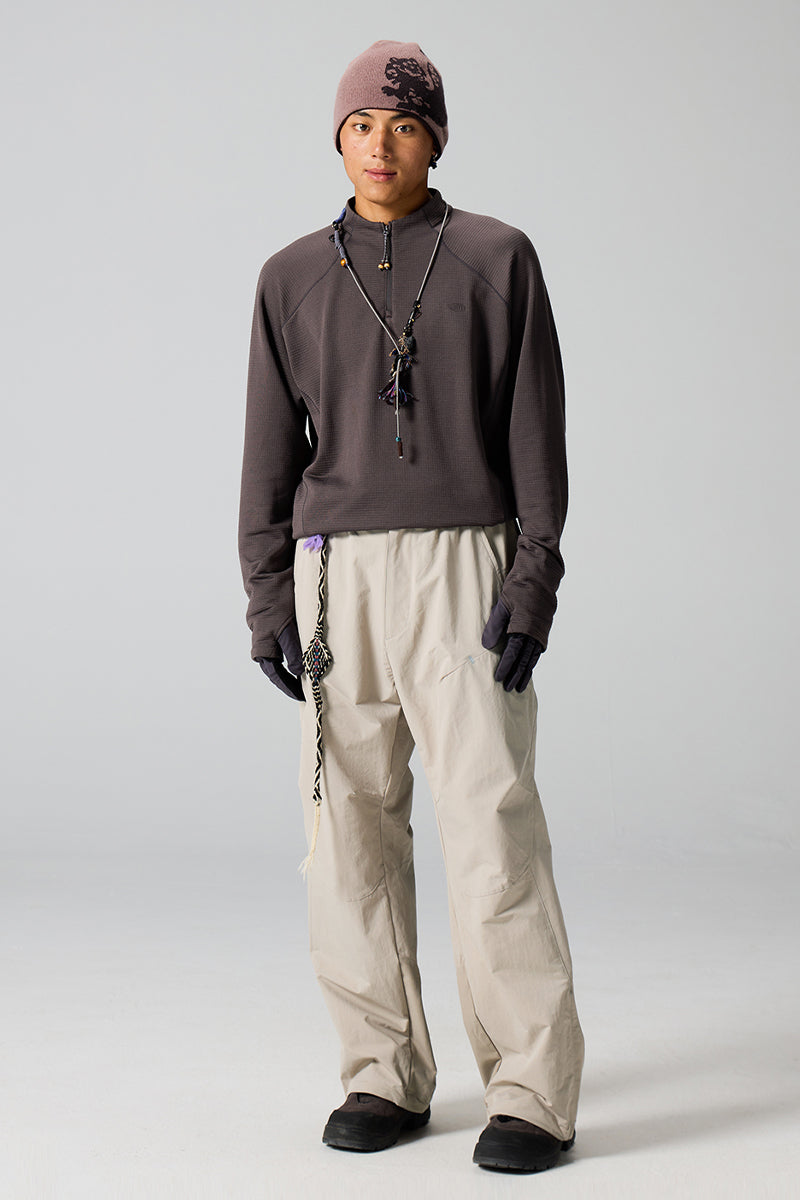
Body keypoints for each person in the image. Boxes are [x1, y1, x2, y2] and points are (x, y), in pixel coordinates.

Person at [238, 39, 585, 1174]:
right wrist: (268, 598)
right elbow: (267, 455)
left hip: (464, 564)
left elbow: (535, 434)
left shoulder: (495, 257)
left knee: (490, 824)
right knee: (344, 836)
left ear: (434, 137)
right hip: (333, 576)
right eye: (359, 125)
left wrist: (532, 578)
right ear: (336, 139)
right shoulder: (290, 277)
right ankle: (382, 1071)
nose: (379, 146)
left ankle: (530, 1089)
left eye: (402, 125)